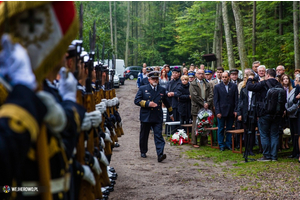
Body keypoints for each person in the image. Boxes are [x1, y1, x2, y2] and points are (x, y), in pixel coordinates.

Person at [247, 68, 286, 161]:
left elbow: (249, 87)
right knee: (274, 134)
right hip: (277, 114)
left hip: (264, 113)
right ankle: (274, 156)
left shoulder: (263, 83)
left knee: (264, 134)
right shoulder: (279, 85)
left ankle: (267, 155)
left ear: (267, 75)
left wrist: (249, 79)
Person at [134, 71, 174, 162]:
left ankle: (160, 154)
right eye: (153, 79)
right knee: (144, 135)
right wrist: (148, 104)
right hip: (146, 116)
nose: (155, 80)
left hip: (157, 116)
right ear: (149, 80)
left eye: (156, 79)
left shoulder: (162, 89)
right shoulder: (143, 88)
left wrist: (171, 113)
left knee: (158, 135)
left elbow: (167, 102)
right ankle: (143, 151)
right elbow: (136, 100)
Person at [214, 71, 238, 151]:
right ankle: (221, 145)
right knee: (221, 128)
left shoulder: (234, 86)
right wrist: (217, 112)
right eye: (223, 77)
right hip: (221, 111)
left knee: (229, 128)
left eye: (225, 77)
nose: (224, 78)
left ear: (229, 77)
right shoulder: (217, 87)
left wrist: (235, 110)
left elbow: (236, 100)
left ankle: (228, 144)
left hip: (231, 111)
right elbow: (216, 101)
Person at [190, 69, 213, 148]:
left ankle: (204, 141)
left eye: (202, 73)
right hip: (196, 107)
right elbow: (194, 96)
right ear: (196, 74)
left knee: (205, 123)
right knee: (195, 124)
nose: (201, 75)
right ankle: (194, 141)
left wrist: (208, 103)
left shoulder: (207, 83)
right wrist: (203, 103)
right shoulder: (193, 84)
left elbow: (211, 94)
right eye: (199, 73)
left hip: (206, 106)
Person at [238, 71, 257, 156]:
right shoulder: (243, 89)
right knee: (246, 131)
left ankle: (251, 149)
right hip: (245, 112)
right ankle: (246, 149)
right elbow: (240, 102)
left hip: (253, 112)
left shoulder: (256, 89)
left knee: (252, 131)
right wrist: (239, 113)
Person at [286, 74, 300, 161]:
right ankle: (296, 152)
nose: (294, 81)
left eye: (296, 80)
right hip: (293, 114)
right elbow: (293, 100)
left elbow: (296, 103)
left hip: (295, 113)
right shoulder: (294, 90)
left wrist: (289, 110)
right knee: (295, 134)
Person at [280, 74, 293, 150]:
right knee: (282, 127)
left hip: (289, 110)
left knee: (288, 127)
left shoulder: (291, 89)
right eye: (284, 79)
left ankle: (286, 142)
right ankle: (281, 143)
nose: (285, 80)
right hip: (282, 110)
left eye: (287, 79)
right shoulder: (280, 89)